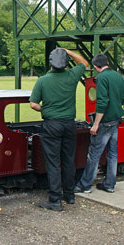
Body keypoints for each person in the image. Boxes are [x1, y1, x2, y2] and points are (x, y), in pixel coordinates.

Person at [30, 48, 88, 211]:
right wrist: (68, 51)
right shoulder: (72, 75)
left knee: (53, 163)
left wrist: (46, 109)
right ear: (65, 63)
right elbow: (84, 63)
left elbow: (33, 104)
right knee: (69, 160)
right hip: (69, 124)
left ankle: (55, 200)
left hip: (51, 124)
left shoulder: (42, 80)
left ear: (50, 63)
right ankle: (69, 195)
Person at [75, 54, 124, 194]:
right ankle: (110, 184)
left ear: (96, 66)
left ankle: (85, 185)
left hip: (105, 121)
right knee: (113, 153)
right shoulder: (118, 76)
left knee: (94, 154)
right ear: (107, 63)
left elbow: (103, 102)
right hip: (116, 119)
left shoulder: (101, 78)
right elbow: (121, 98)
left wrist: (96, 124)